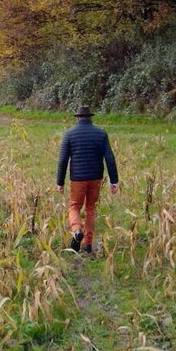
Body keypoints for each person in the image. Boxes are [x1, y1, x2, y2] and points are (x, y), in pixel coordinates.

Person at [56, 105, 120, 254]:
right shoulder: (101, 134)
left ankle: (77, 229)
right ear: (90, 117)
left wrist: (60, 182)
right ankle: (88, 245)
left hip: (77, 179)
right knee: (91, 208)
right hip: (95, 178)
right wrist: (114, 180)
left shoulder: (69, 134)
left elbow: (62, 160)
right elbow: (110, 158)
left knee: (74, 206)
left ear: (77, 117)